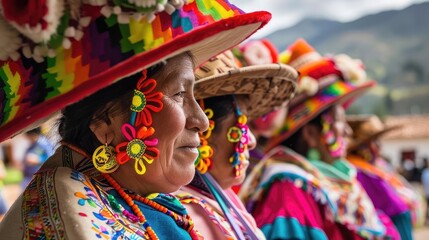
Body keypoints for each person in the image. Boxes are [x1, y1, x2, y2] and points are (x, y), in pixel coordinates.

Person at [0, 0, 272, 238]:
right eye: (179, 93)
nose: (201, 120)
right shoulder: (73, 217)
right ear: (104, 120)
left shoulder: (150, 202)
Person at [240, 39, 397, 239]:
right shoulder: (288, 190)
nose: (348, 131)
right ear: (311, 134)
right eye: (339, 120)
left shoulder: (329, 183)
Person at [175, 45, 298, 239]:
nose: (251, 141)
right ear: (202, 129)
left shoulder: (223, 201)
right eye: (243, 121)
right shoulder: (186, 217)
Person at [347, 115, 420, 240]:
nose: (379, 146)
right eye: (375, 141)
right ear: (363, 147)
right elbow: (389, 202)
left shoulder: (377, 167)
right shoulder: (360, 171)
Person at [422, 158, 429, 225]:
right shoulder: (425, 172)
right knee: (427, 207)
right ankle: (426, 220)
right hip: (427, 192)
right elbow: (424, 182)